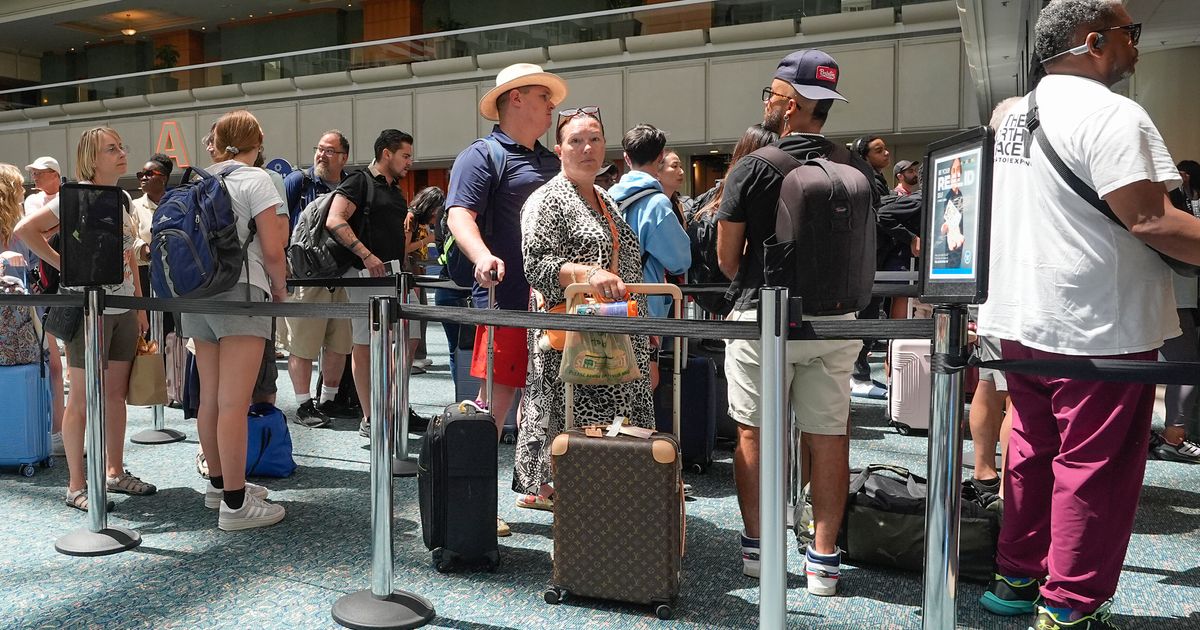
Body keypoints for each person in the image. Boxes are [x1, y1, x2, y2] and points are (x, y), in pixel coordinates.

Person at [976, 2, 1200, 627]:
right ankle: (1070, 604)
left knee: (1032, 447)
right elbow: (1151, 218)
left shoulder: (1014, 114)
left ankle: (1016, 577)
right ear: (1094, 41)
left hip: (1019, 314)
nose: (1137, 45)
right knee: (1095, 464)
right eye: (1131, 34)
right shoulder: (1112, 114)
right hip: (1096, 320)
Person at [716, 49, 872, 595]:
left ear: (790, 105)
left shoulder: (755, 167)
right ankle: (824, 562)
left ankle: (761, 553)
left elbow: (728, 258)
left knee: (754, 432)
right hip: (838, 322)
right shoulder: (854, 168)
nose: (767, 104)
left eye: (771, 96)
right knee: (830, 436)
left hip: (766, 318)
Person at [446, 64, 566, 538]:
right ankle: (473, 501)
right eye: (543, 95)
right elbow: (460, 215)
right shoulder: (482, 156)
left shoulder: (550, 161)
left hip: (554, 305)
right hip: (506, 300)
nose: (552, 105)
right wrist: (482, 256)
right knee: (494, 404)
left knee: (551, 397)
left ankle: (538, 485)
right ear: (515, 99)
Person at [515, 106, 653, 511]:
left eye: (594, 138)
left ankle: (600, 495)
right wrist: (587, 273)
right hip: (572, 341)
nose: (587, 147)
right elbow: (536, 264)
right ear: (559, 149)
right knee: (570, 418)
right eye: (576, 140)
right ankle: (569, 497)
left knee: (614, 419)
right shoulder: (547, 200)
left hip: (617, 334)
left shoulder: (605, 198)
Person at [15, 127, 156, 512]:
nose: (121, 153)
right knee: (80, 398)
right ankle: (77, 484)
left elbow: (128, 257)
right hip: (87, 309)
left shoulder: (122, 196)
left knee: (114, 395)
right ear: (92, 158)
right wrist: (68, 265)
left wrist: (139, 306)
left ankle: (114, 470)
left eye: (121, 145)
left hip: (122, 307)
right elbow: (24, 230)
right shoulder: (73, 197)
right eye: (112, 149)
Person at [178, 110, 290, 530]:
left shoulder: (197, 180)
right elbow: (273, 247)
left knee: (210, 398)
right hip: (241, 293)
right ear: (256, 142)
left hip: (196, 296)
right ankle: (236, 504)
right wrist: (278, 291)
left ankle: (221, 485)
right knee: (234, 402)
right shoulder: (256, 179)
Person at [325, 129, 415, 439]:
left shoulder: (395, 189)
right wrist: (367, 256)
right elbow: (335, 220)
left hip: (393, 276)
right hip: (365, 275)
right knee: (364, 344)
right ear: (386, 154)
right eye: (405, 155)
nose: (410, 162)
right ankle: (370, 416)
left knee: (408, 337)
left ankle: (390, 405)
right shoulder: (359, 181)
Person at [281, 131, 355, 429]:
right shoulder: (298, 183)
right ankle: (302, 404)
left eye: (329, 150)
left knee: (339, 343)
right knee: (302, 345)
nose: (321, 155)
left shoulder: (352, 185)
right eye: (319, 149)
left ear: (343, 157)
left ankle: (328, 399)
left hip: (342, 276)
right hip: (306, 275)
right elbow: (278, 222)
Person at [609, 124, 690, 320]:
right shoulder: (657, 203)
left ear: (626, 158)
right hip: (643, 306)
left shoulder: (607, 197)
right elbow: (680, 261)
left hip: (607, 301)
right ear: (661, 156)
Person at [1152, 158, 1200, 463]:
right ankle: (1174, 437)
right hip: (1174, 299)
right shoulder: (1172, 209)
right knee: (1186, 366)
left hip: (1163, 298)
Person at [21, 156, 68, 456]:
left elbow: (43, 232)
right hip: (45, 285)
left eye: (40, 174)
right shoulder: (33, 201)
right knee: (54, 363)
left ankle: (62, 431)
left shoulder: (63, 198)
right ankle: (56, 432)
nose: (35, 179)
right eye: (34, 174)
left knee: (64, 365)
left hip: (63, 284)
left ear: (55, 175)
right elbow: (37, 233)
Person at [849, 134, 891, 399]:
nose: (886, 153)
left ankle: (860, 370)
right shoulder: (865, 180)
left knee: (871, 314)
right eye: (879, 150)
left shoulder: (874, 179)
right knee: (866, 314)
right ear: (864, 155)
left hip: (874, 257)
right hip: (867, 259)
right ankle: (858, 373)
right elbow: (880, 217)